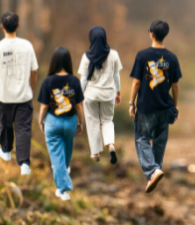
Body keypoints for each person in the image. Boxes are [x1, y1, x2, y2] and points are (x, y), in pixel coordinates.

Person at [128, 20, 181, 193]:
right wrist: (175, 107)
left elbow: (136, 83)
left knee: (142, 138)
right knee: (159, 142)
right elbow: (175, 86)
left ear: (151, 34)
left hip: (146, 107)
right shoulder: (172, 58)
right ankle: (154, 172)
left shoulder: (142, 56)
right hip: (164, 108)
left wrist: (131, 103)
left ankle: (153, 171)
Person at [0, 12, 39, 176]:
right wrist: (31, 88)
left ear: (2, 27)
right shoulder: (27, 45)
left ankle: (6, 151)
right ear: (18, 26)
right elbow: (34, 71)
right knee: (23, 129)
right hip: (24, 96)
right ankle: (24, 164)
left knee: (5, 125)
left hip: (3, 96)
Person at [37, 47, 85, 201]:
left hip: (53, 121)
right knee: (66, 150)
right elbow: (79, 106)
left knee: (57, 156)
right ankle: (64, 172)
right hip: (70, 122)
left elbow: (44, 106)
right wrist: (81, 122)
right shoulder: (75, 81)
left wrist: (40, 120)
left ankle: (63, 189)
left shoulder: (48, 81)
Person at [77, 26, 123, 164]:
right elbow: (116, 76)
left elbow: (83, 79)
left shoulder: (86, 56)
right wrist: (118, 92)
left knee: (93, 122)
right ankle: (111, 144)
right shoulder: (113, 54)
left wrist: (79, 96)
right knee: (107, 120)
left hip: (90, 95)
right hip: (108, 94)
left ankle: (95, 153)